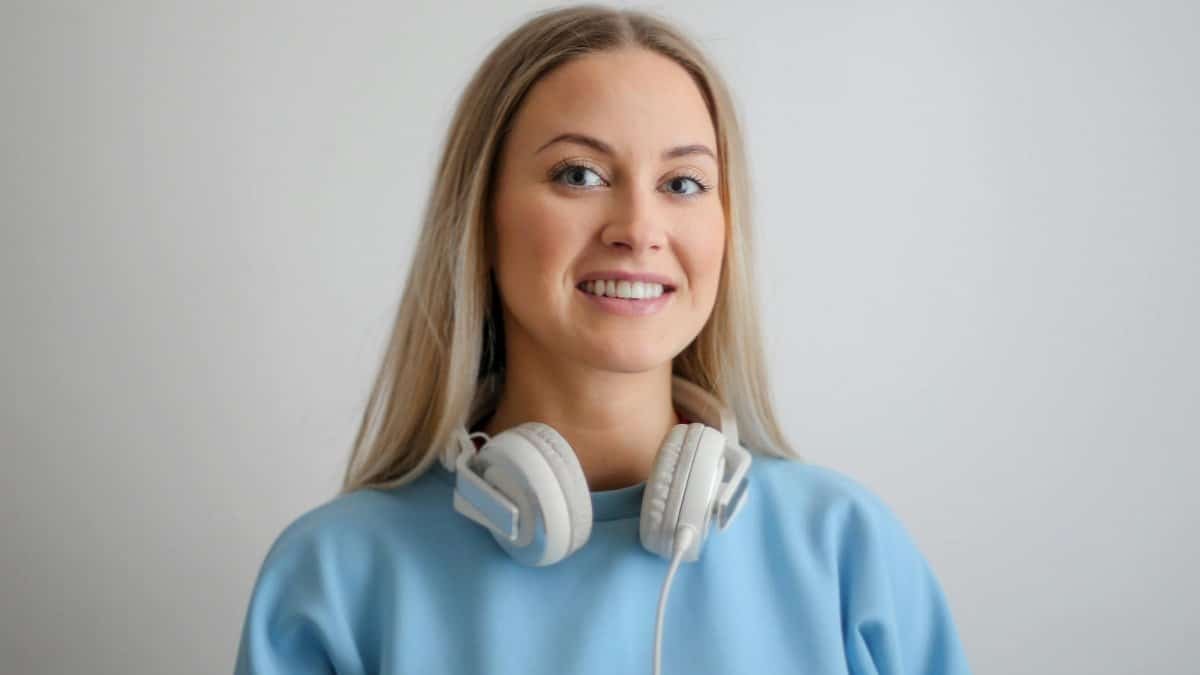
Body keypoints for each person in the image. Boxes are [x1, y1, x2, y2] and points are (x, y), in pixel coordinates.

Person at [233, 5, 972, 674]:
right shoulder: (336, 577)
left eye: (682, 184)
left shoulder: (846, 551)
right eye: (579, 174)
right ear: (480, 221)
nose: (639, 229)